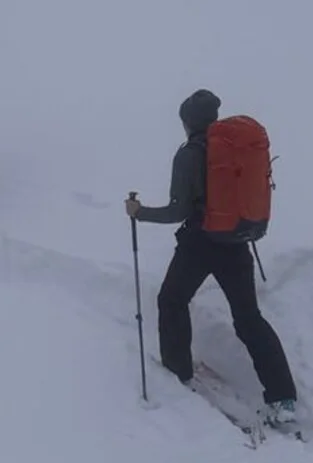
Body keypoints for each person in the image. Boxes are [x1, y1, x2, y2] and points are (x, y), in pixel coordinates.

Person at [126, 89, 299, 428]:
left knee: (172, 300)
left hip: (200, 244)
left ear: (187, 122)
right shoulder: (232, 151)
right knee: (249, 319)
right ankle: (283, 397)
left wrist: (139, 212)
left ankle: (177, 371)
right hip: (236, 241)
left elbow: (178, 211)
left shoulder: (190, 154)